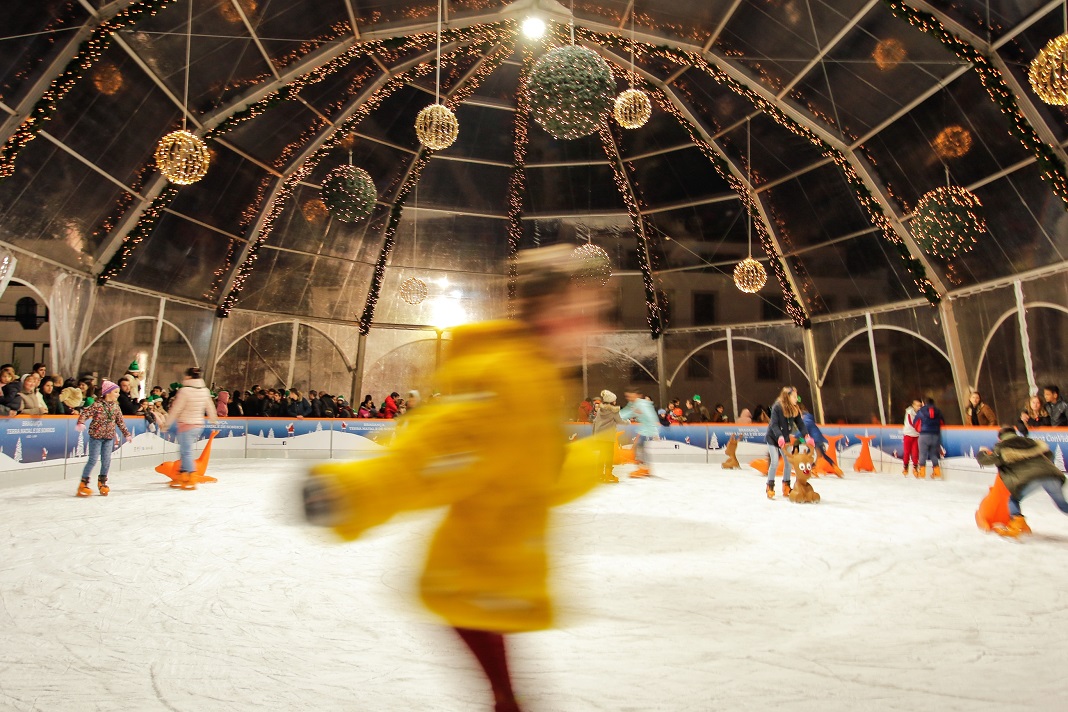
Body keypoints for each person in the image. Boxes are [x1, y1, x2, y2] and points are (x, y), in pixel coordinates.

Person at [300, 244, 611, 712]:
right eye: (580, 311)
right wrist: (355, 490)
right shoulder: (504, 378)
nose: (592, 326)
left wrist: (591, 460)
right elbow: (431, 453)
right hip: (475, 569)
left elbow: (537, 473)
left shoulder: (540, 380)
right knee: (506, 695)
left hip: (504, 568)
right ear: (547, 312)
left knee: (507, 694)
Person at [977, 425, 1068, 537]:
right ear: (1015, 433)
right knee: (1063, 505)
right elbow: (1049, 454)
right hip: (1051, 475)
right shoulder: (1030, 442)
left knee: (1013, 500)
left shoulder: (1001, 447)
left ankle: (1017, 526)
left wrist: (982, 453)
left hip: (1029, 479)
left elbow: (987, 461)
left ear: (1000, 438)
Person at [74, 380, 132, 497]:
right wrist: (81, 422)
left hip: (109, 438)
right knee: (93, 460)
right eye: (116, 392)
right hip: (96, 437)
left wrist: (126, 434)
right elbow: (85, 413)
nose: (118, 394)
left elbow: (120, 422)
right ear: (108, 393)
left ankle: (102, 482)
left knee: (106, 461)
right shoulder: (97, 405)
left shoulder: (116, 407)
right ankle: (83, 484)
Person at [166, 367, 218, 491]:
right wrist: (213, 420)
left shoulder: (185, 391)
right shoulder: (204, 390)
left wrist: (167, 423)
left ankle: (190, 475)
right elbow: (210, 406)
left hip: (186, 424)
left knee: (186, 451)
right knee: (185, 450)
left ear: (189, 377)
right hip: (198, 425)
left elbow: (176, 408)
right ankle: (182, 473)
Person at [763, 387, 813, 499]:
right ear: (787, 397)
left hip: (784, 438)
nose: (797, 399)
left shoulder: (794, 409)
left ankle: (786, 486)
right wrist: (779, 436)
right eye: (794, 397)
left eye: (797, 397)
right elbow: (774, 424)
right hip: (773, 437)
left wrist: (806, 435)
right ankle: (770, 486)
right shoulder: (777, 407)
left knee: (789, 462)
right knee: (775, 461)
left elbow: (800, 423)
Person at [619, 388, 660, 478]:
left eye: (630, 395)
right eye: (627, 396)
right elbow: (625, 413)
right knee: (639, 448)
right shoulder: (632, 404)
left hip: (649, 429)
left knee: (639, 447)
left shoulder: (642, 404)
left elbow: (651, 416)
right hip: (644, 429)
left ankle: (643, 468)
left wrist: (655, 432)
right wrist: (614, 416)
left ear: (636, 395)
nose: (629, 398)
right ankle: (645, 468)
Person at [800, 402, 841, 476]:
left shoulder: (806, 420)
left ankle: (810, 469)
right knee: (822, 455)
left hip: (814, 440)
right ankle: (834, 467)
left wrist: (795, 436)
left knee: (809, 454)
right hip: (817, 438)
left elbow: (803, 430)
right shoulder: (809, 419)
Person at [913, 397, 945, 479]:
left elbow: (915, 423)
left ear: (924, 403)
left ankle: (922, 472)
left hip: (924, 435)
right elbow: (942, 422)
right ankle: (937, 472)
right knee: (933, 454)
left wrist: (920, 429)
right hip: (935, 435)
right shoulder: (938, 411)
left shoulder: (921, 411)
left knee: (922, 454)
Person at [902, 398, 922, 477]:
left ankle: (915, 467)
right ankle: (905, 467)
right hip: (908, 435)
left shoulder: (920, 412)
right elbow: (912, 423)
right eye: (916, 405)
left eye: (919, 405)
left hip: (916, 436)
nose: (918, 407)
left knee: (915, 452)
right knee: (907, 452)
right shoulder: (909, 412)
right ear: (913, 405)